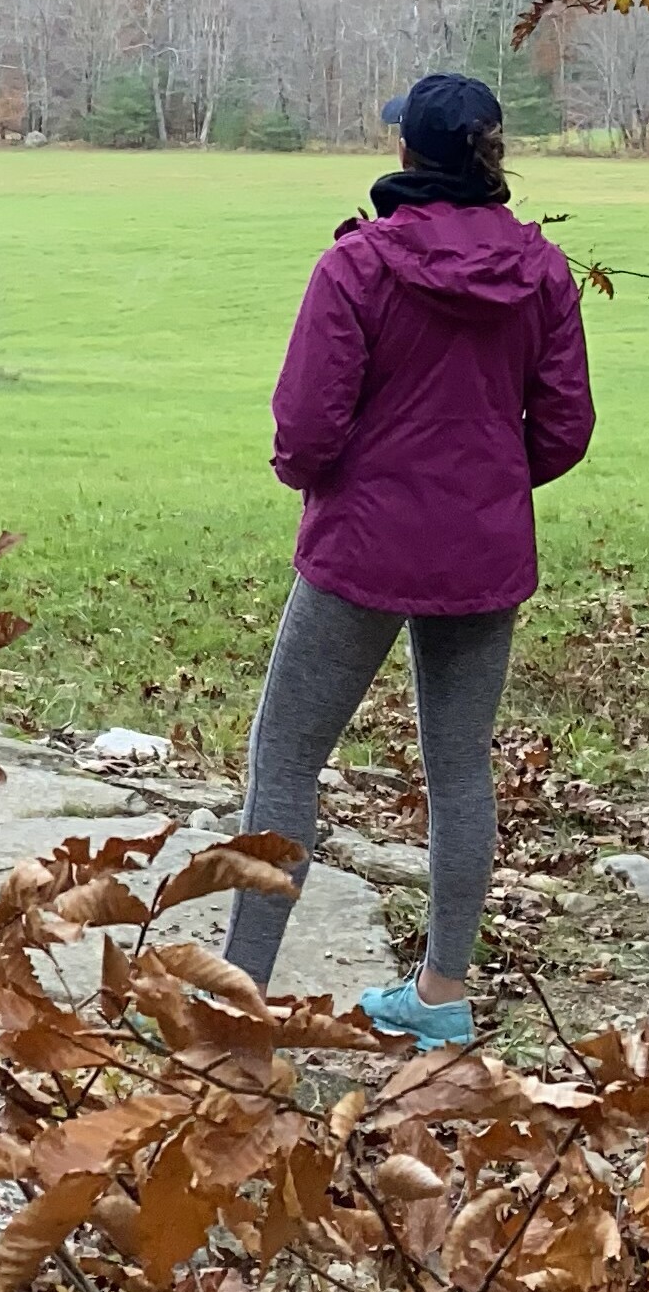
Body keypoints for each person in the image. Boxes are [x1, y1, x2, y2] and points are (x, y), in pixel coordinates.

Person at [236, 73, 592, 1046]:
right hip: (481, 550)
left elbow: (306, 428)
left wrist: (325, 478)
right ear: (491, 153)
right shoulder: (543, 271)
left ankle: (239, 991)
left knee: (286, 759)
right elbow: (565, 427)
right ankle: (442, 995)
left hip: (359, 546)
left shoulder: (357, 267)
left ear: (407, 153)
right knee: (459, 771)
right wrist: (483, 482)